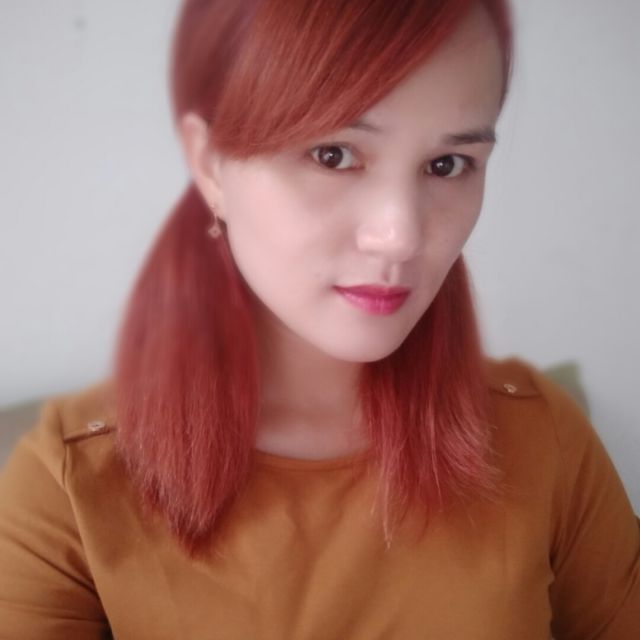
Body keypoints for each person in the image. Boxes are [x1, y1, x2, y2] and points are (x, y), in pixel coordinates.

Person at [0, 0, 638, 637]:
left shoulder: (541, 439)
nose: (402, 235)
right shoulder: (70, 486)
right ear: (209, 162)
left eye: (447, 165)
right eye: (333, 154)